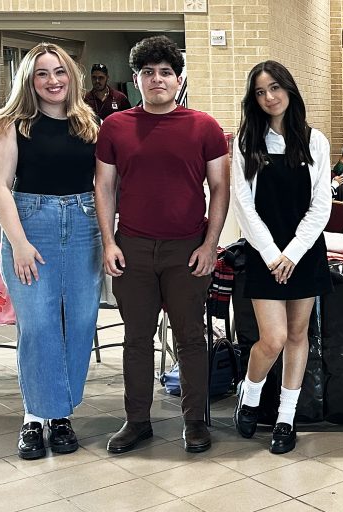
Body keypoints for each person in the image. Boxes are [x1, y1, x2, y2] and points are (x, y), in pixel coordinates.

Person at [96, 36, 229, 454]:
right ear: (136, 79)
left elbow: (220, 188)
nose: (157, 80)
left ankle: (195, 421)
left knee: (190, 338)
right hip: (132, 247)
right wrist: (108, 242)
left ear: (179, 78)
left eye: (165, 72)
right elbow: (104, 187)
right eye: (148, 73)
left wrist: (211, 245)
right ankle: (137, 421)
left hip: (187, 249)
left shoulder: (203, 126)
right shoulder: (115, 127)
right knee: (136, 338)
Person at [0, 43, 102, 461]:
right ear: (29, 81)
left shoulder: (88, 122)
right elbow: (0, 185)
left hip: (85, 224)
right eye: (42, 74)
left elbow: (105, 185)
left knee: (82, 321)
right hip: (31, 225)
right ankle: (35, 417)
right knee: (38, 326)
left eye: (60, 72)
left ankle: (60, 415)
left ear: (72, 77)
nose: (53, 80)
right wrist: (18, 242)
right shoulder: (10, 124)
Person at [230, 60, 333, 455]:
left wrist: (292, 253)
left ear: (289, 89)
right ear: (253, 99)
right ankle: (250, 393)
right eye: (260, 91)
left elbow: (321, 205)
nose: (269, 97)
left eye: (275, 88)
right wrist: (273, 255)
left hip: (304, 252)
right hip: (263, 253)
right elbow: (243, 205)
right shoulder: (244, 143)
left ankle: (286, 418)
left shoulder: (314, 141)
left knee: (296, 335)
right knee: (270, 339)